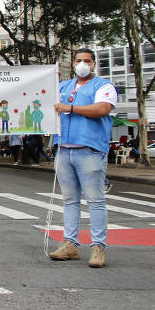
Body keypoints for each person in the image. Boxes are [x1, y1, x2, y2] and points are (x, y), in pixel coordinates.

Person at [50, 48, 117, 268]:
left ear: (93, 64)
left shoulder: (103, 86)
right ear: (73, 63)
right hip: (64, 149)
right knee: (69, 200)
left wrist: (70, 108)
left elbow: (102, 109)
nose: (82, 64)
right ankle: (70, 244)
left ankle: (98, 247)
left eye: (87, 61)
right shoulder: (63, 87)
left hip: (89, 149)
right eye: (78, 60)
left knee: (95, 200)